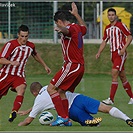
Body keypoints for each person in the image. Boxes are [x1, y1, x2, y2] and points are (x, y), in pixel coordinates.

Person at [17, 82, 133, 127]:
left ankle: (69, 122)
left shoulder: (38, 100)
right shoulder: (49, 86)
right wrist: (28, 110)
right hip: (78, 98)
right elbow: (46, 101)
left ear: (34, 93)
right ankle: (127, 119)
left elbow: (28, 121)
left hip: (71, 111)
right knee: (106, 108)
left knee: (94, 125)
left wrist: (19, 125)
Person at [46, 2, 87, 126]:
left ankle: (62, 117)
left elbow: (66, 30)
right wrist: (77, 14)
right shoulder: (77, 27)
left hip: (72, 65)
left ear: (59, 21)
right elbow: (84, 27)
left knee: (51, 88)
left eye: (56, 23)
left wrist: (61, 29)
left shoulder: (69, 29)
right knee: (61, 92)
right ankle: (67, 120)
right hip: (79, 66)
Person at [0, 25, 51, 122]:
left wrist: (45, 65)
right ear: (18, 35)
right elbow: (1, 59)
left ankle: (14, 112)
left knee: (22, 89)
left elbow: (35, 55)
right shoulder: (10, 45)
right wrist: (11, 62)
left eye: (26, 36)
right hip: (6, 74)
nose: (24, 39)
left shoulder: (30, 46)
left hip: (19, 75)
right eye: (22, 36)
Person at [96, 8, 133, 105]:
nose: (111, 16)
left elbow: (129, 36)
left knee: (114, 72)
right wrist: (99, 52)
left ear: (115, 16)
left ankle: (111, 99)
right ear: (107, 16)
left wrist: (124, 48)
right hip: (113, 54)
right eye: (109, 15)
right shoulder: (107, 28)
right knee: (122, 76)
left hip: (120, 53)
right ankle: (132, 97)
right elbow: (104, 41)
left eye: (113, 15)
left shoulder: (120, 26)